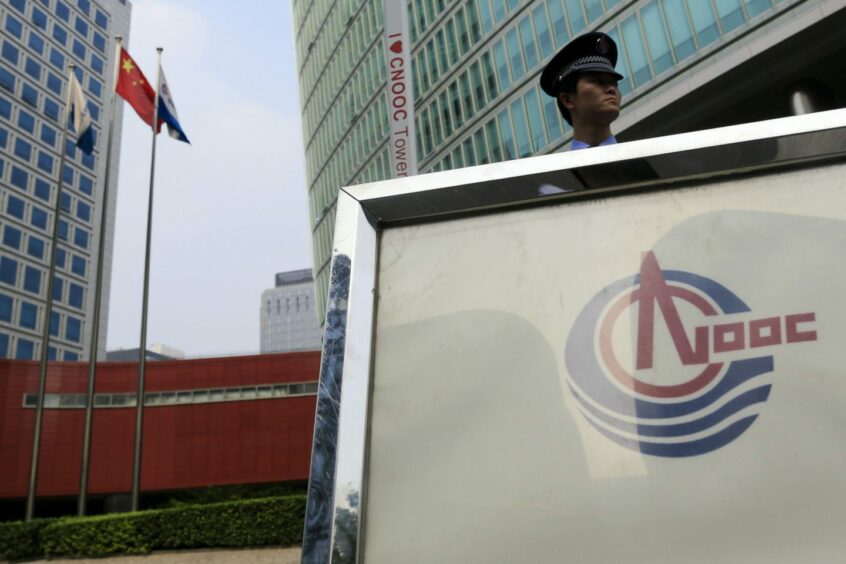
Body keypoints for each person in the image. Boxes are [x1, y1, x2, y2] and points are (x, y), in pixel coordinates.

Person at [540, 32, 624, 150]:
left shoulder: (647, 164)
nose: (611, 89)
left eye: (614, 83)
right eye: (598, 81)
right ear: (567, 100)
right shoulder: (559, 168)